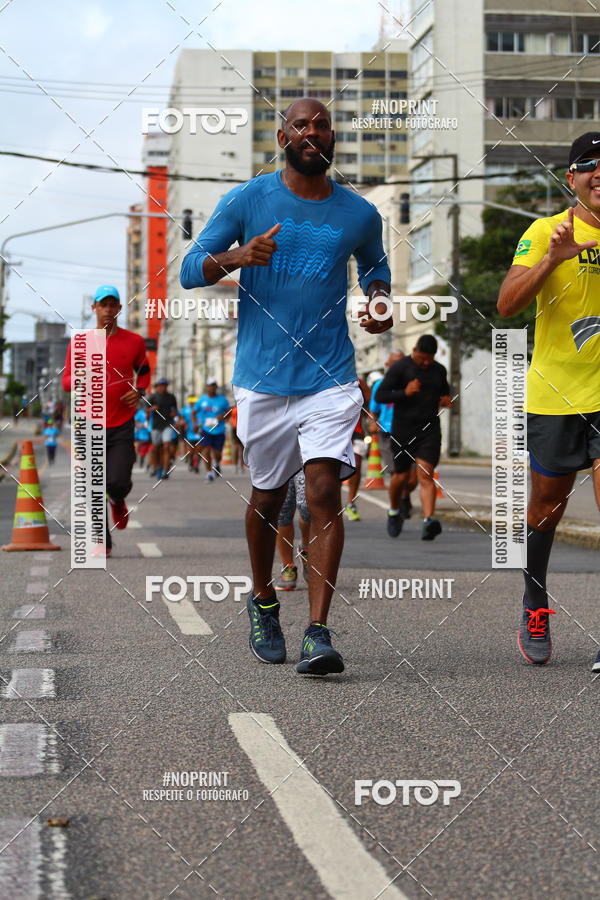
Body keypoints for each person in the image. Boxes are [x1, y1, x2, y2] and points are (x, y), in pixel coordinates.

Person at [180, 96, 392, 675]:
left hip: (330, 375)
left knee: (323, 491)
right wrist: (238, 256)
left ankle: (318, 633)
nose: (313, 132)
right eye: (301, 125)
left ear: (331, 140)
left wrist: (378, 304)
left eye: (323, 125)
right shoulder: (249, 199)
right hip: (263, 378)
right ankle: (263, 598)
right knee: (269, 498)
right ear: (283, 137)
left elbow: (375, 268)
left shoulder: (359, 213)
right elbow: (188, 268)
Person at [497, 132, 600, 670]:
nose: (599, 172)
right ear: (571, 178)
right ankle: (534, 602)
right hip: (555, 394)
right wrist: (551, 261)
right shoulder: (544, 231)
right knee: (546, 508)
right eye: (589, 164)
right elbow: (508, 304)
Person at [62, 285, 150, 556]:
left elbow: (144, 373)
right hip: (89, 422)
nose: (108, 309)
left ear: (120, 309)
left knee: (118, 480)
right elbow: (66, 381)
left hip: (122, 421)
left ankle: (118, 498)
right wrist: (81, 379)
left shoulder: (134, 341)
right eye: (103, 304)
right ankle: (101, 541)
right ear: (94, 309)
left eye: (113, 304)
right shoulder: (80, 342)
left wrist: (139, 391)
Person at [375, 334, 452, 541]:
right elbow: (380, 396)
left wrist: (446, 400)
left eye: (430, 359)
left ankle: (428, 521)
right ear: (415, 351)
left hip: (429, 430)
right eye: (422, 359)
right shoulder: (401, 368)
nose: (426, 363)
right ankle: (394, 511)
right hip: (403, 430)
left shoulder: (439, 370)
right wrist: (404, 393)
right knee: (400, 478)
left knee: (425, 474)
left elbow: (446, 393)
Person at [369, 351, 418, 519]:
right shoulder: (380, 385)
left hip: (410, 433)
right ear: (387, 366)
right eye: (394, 364)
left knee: (412, 479)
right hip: (387, 434)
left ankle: (403, 495)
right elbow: (373, 410)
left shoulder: (413, 383)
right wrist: (373, 422)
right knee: (397, 474)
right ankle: (395, 509)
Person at [275, 472, 311, 590]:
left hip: (306, 457)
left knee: (307, 509)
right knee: (283, 511)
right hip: (282, 457)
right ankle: (288, 566)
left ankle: (306, 550)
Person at [344, 376, 371, 522]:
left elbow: (370, 403)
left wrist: (372, 419)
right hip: (335, 432)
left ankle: (351, 503)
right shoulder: (325, 377)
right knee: (331, 469)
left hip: (357, 431)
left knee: (357, 466)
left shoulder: (358, 381)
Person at [193, 378, 230, 482]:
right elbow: (193, 413)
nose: (212, 388)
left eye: (214, 385)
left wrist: (223, 416)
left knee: (218, 454)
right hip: (206, 430)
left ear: (216, 387)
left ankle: (216, 464)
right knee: (207, 450)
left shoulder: (222, 399)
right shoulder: (201, 400)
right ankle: (209, 473)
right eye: (210, 385)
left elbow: (229, 412)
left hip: (219, 430)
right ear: (206, 387)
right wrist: (195, 424)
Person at [147, 378, 178, 480]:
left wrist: (174, 413)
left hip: (167, 425)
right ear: (157, 386)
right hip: (156, 426)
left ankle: (165, 471)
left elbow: (175, 409)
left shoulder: (171, 397)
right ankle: (157, 467)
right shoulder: (153, 397)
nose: (163, 387)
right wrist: (152, 409)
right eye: (161, 385)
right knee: (156, 448)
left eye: (165, 385)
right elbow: (145, 409)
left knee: (166, 447)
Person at [180, 395, 202, 472]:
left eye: (194, 402)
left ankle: (197, 466)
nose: (193, 403)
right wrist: (183, 424)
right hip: (189, 433)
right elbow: (181, 420)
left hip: (199, 433)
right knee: (191, 451)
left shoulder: (200, 409)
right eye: (192, 402)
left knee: (198, 450)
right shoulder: (185, 410)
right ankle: (190, 462)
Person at [134, 402, 152, 471]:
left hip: (151, 434)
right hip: (142, 435)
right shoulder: (140, 412)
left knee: (152, 450)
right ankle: (141, 459)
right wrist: (139, 425)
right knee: (143, 451)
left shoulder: (152, 412)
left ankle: (148, 465)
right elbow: (135, 420)